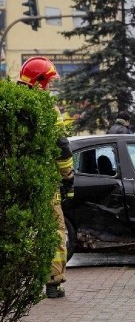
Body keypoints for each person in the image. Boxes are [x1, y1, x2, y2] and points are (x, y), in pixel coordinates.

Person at [18, 57, 75, 298]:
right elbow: (61, 146)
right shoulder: (46, 109)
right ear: (39, 82)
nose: (50, 87)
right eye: (48, 82)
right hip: (43, 180)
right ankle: (53, 282)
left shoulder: (9, 105)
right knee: (54, 230)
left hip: (14, 179)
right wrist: (68, 178)